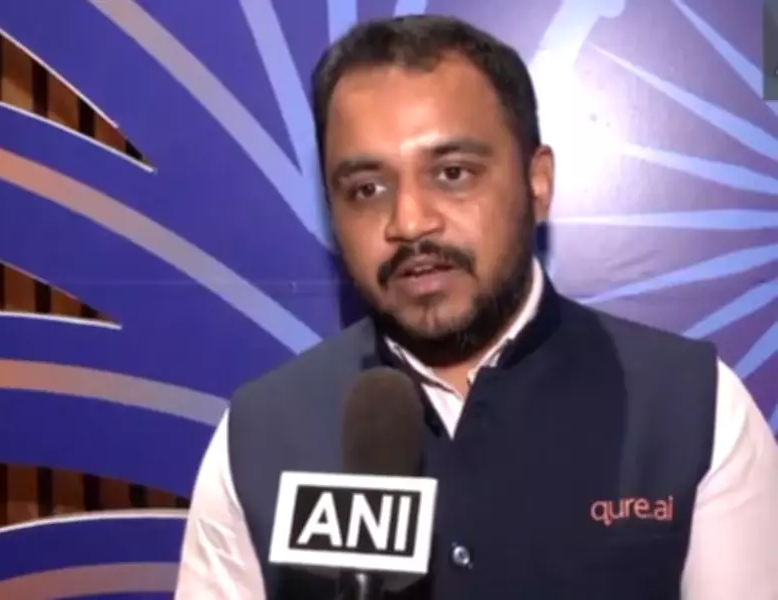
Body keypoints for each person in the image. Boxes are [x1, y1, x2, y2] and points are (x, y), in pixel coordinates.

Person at [175, 14, 778, 600]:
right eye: (367, 189)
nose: (409, 221)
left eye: (453, 173)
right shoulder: (259, 435)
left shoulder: (695, 410)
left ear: (537, 182)